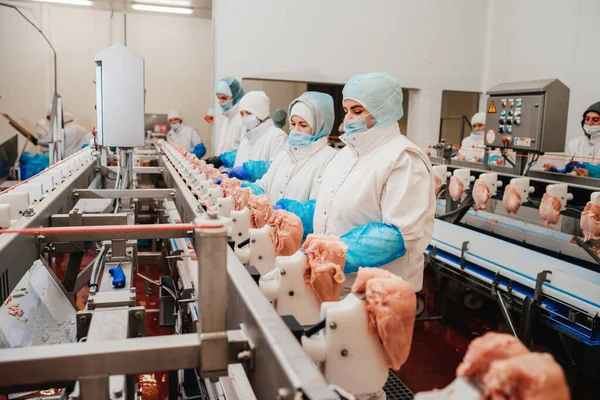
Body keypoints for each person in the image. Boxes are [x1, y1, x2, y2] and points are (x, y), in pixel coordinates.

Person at [313, 73, 435, 295]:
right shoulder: (347, 154)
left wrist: (338, 253)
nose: (348, 118)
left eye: (357, 111)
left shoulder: (403, 159)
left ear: (382, 110)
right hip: (336, 281)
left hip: (376, 294)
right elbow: (330, 207)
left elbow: (399, 235)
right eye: (347, 110)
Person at [253, 92, 336, 204]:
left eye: (303, 125)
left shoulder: (329, 160)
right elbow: (265, 185)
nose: (296, 130)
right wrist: (247, 191)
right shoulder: (285, 154)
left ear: (319, 127)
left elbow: (316, 207)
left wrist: (286, 211)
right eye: (293, 123)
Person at [225, 91, 287, 182]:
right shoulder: (246, 138)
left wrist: (250, 171)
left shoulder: (277, 138)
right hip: (242, 194)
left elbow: (278, 171)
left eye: (249, 113)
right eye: (242, 114)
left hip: (261, 195)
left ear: (261, 113)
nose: (245, 117)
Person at [544, 101, 600, 177]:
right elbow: (570, 171)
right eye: (587, 119)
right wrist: (557, 172)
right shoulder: (574, 144)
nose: (589, 123)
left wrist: (587, 170)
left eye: (595, 120)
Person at [214, 77, 246, 155]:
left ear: (236, 96)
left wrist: (224, 159)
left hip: (235, 166)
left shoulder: (242, 119)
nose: (221, 102)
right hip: (223, 167)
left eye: (224, 98)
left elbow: (245, 151)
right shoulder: (227, 117)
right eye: (219, 98)